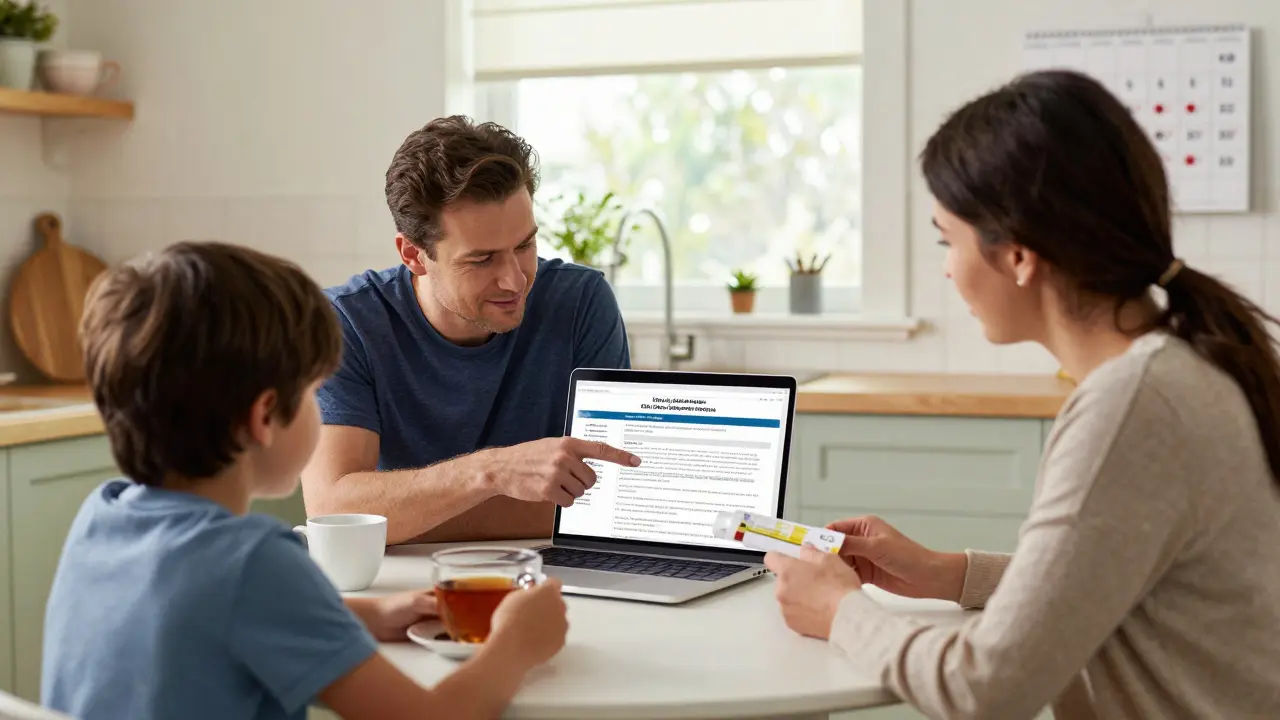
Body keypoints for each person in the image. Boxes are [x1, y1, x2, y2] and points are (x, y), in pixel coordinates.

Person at [763, 69, 1280, 719]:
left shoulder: (1133, 405)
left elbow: (987, 687)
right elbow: (1115, 581)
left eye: (947, 240)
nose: (947, 267)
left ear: (1017, 257)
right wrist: (946, 573)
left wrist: (839, 610)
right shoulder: (1185, 362)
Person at [42, 242, 569, 720]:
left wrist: (373, 613)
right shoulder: (252, 563)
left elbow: (213, 614)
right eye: (316, 392)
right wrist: (515, 647)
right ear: (265, 417)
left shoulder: (102, 515)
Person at [301, 116, 641, 545]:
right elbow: (335, 512)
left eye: (524, 246)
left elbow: (612, 501)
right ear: (414, 254)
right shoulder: (346, 323)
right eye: (482, 260)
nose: (515, 280)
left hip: (546, 577)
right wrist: (493, 472)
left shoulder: (581, 302)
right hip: (403, 590)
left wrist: (405, 515)